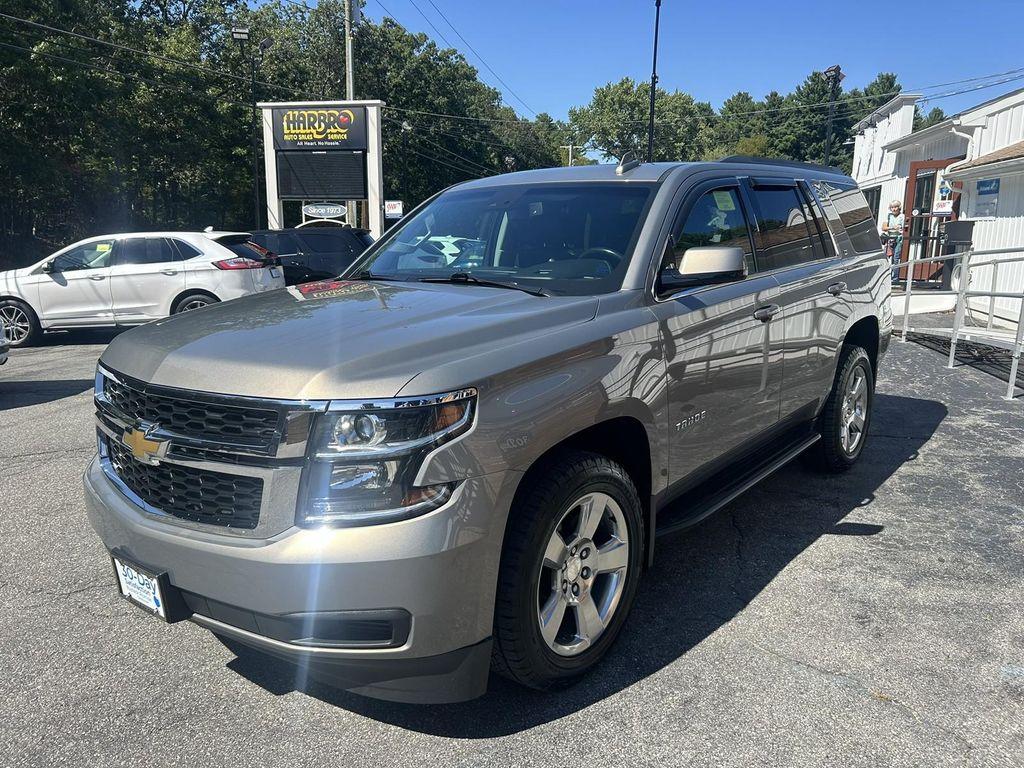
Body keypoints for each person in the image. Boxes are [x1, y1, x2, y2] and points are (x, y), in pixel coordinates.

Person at [881, 200, 905, 282]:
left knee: (896, 258)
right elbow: (883, 228)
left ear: (899, 208)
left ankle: (895, 278)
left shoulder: (902, 216)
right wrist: (892, 228)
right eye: (892, 207)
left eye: (895, 207)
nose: (894, 209)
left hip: (898, 239)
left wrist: (897, 228)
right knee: (887, 258)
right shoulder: (889, 216)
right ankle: (886, 277)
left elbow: (902, 228)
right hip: (890, 239)